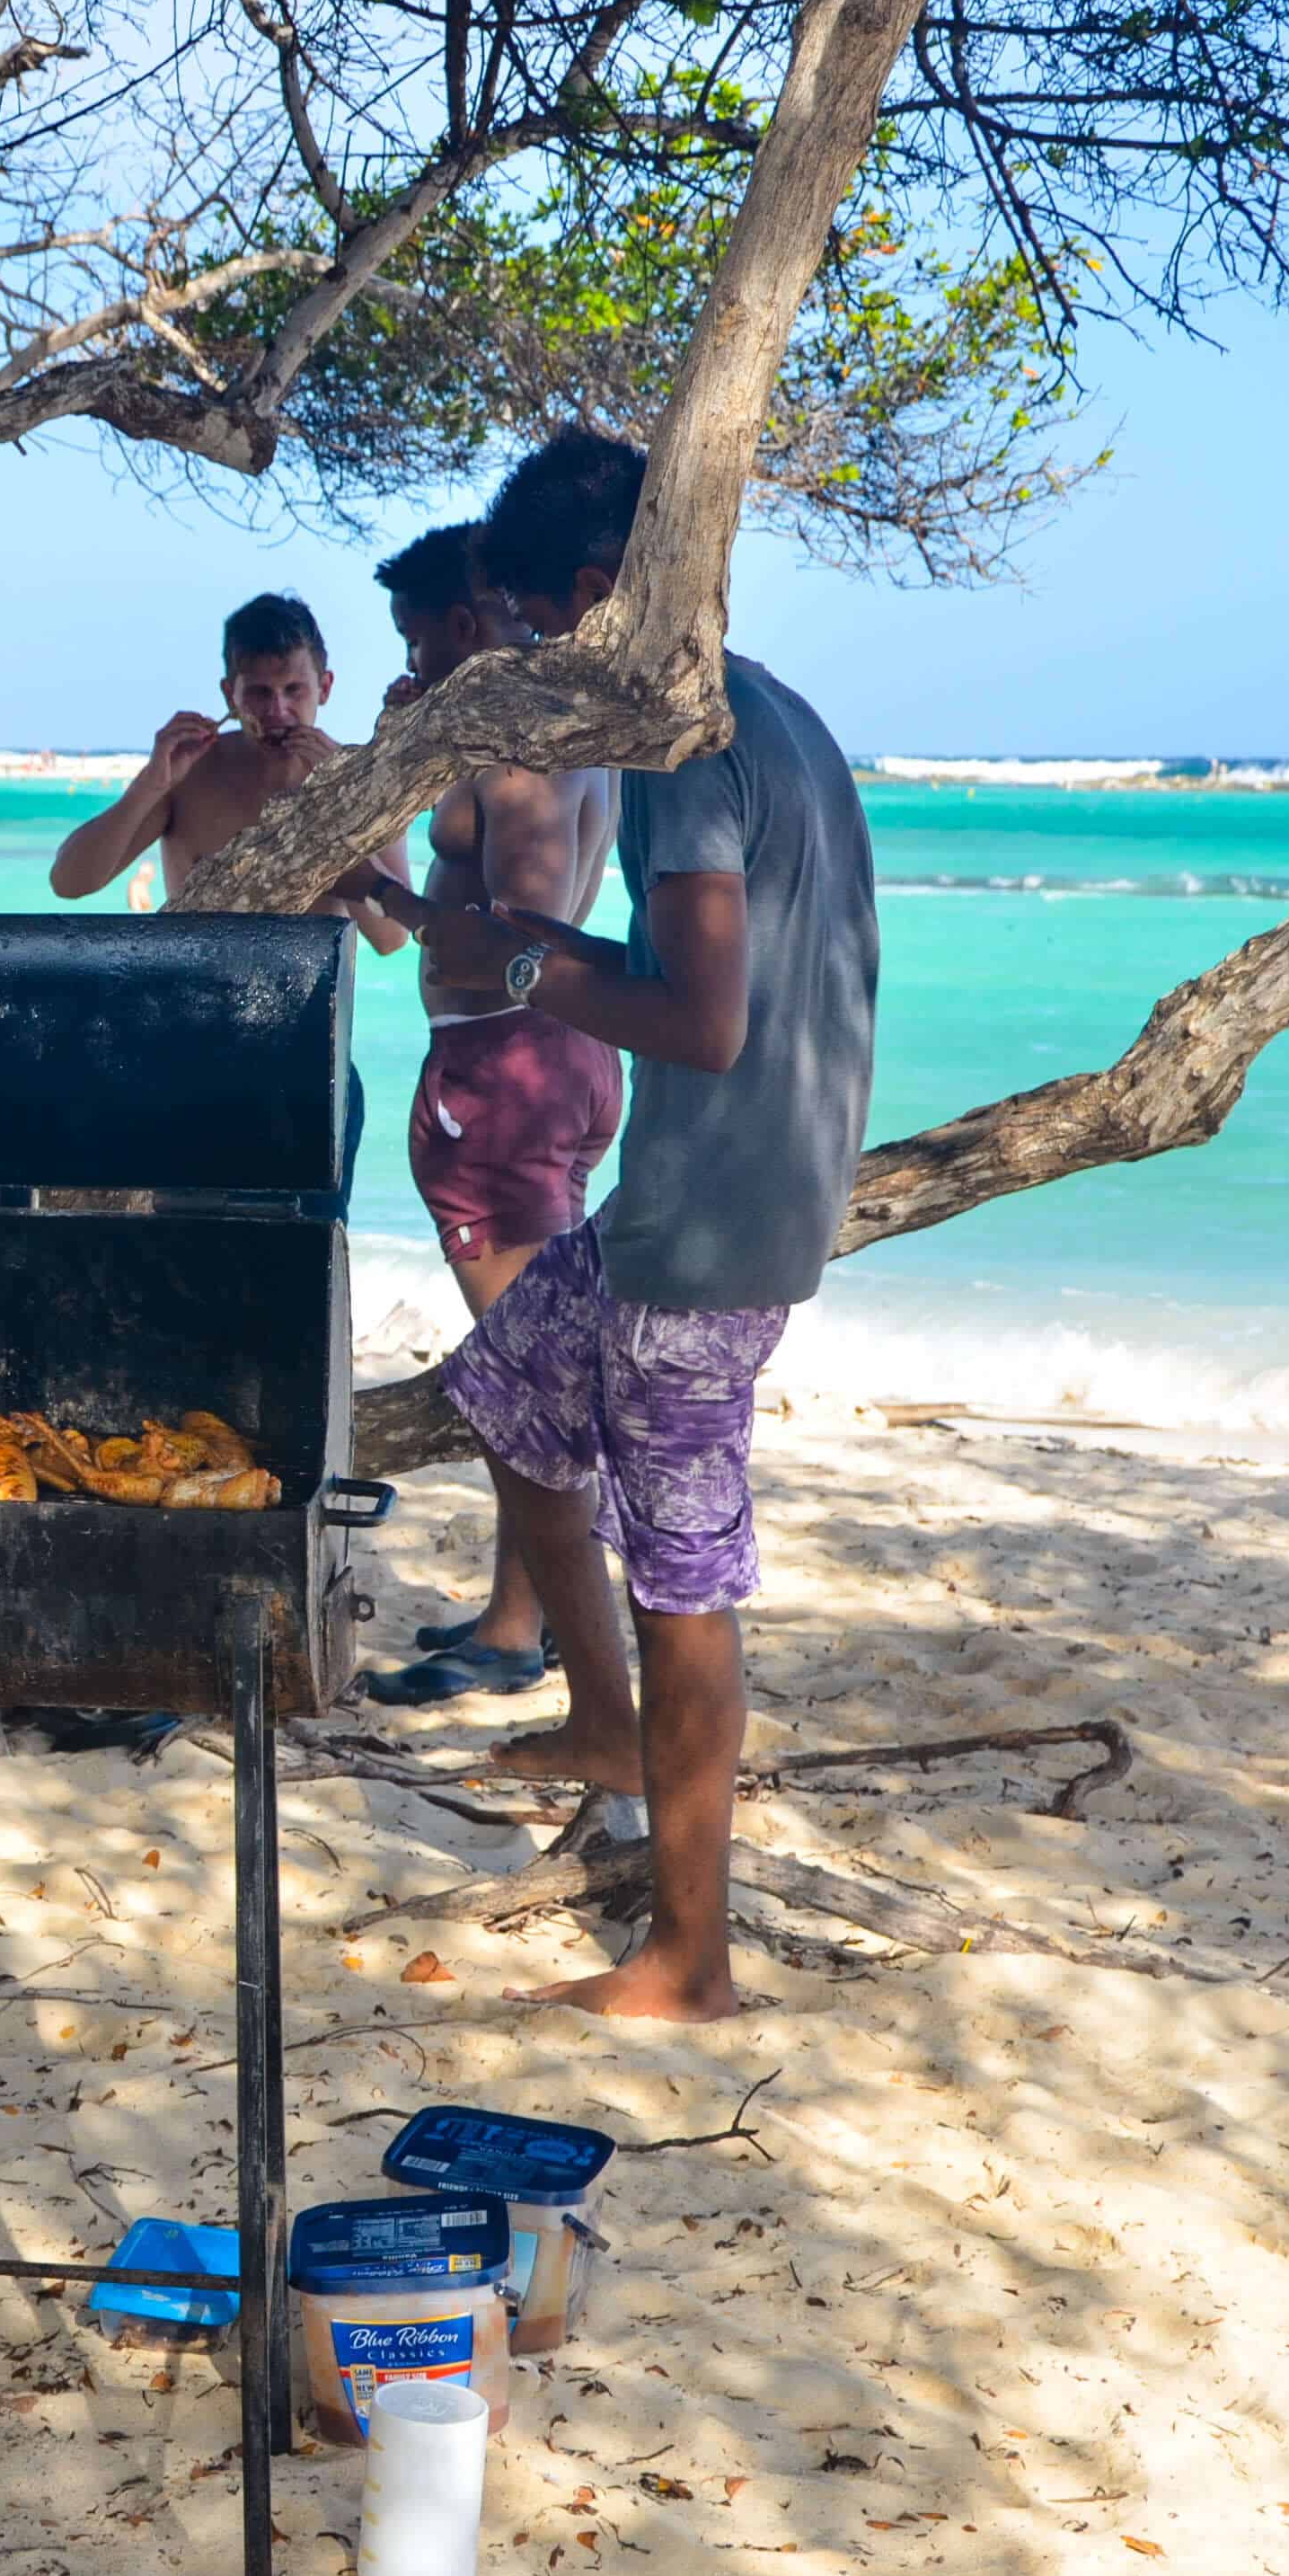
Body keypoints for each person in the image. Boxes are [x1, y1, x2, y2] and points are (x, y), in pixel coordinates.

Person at [399, 427, 878, 2023]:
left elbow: (705, 1020)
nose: (536, 669)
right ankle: (599, 1720)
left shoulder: (683, 752)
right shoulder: (783, 710)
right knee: (507, 1401)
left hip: (707, 1233)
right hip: (716, 1192)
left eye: (540, 632)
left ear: (599, 593)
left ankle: (689, 1957)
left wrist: (525, 962)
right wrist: (538, 931)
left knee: (687, 1582)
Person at [344, 524, 624, 1708]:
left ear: (465, 625)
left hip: (501, 1071)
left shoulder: (512, 750)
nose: (412, 662)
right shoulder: (581, 721)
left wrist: (380, 892)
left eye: (418, 639)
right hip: (573, 1062)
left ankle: (520, 1629)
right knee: (547, 1360)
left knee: (526, 1374)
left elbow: (520, 923)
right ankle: (529, 1611)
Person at [45, 592, 358, 907]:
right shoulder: (189, 775)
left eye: (294, 690)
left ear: (325, 688)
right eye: (259, 693)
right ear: (229, 695)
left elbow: (388, 936)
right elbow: (69, 883)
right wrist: (151, 783)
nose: (278, 709)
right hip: (203, 958)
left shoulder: (362, 775)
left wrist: (342, 795)